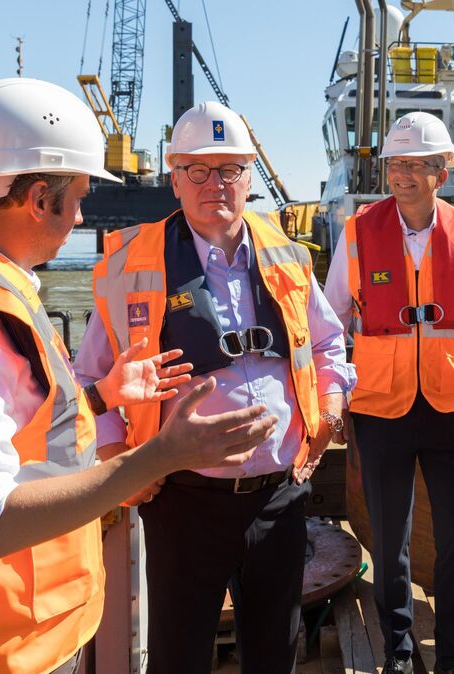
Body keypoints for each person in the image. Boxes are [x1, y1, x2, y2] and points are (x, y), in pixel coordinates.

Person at [0, 78, 275, 674]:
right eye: (79, 196)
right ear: (39, 198)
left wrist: (100, 395)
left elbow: (13, 427)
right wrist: (160, 456)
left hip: (29, 629)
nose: (82, 215)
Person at [75, 100, 355, 674]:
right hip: (181, 500)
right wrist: (114, 456)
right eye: (198, 171)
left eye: (229, 170)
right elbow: (90, 378)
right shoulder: (131, 263)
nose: (215, 185)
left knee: (276, 653)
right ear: (174, 178)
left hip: (279, 497)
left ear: (250, 176)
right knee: (177, 656)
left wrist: (328, 408)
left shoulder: (286, 254)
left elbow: (328, 342)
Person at [325, 111, 454, 674]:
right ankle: (397, 650)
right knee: (390, 541)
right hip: (379, 408)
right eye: (396, 164)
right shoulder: (357, 233)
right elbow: (330, 322)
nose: (403, 176)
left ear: (443, 171)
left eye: (417, 165)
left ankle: (453, 655)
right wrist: (335, 398)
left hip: (450, 409)